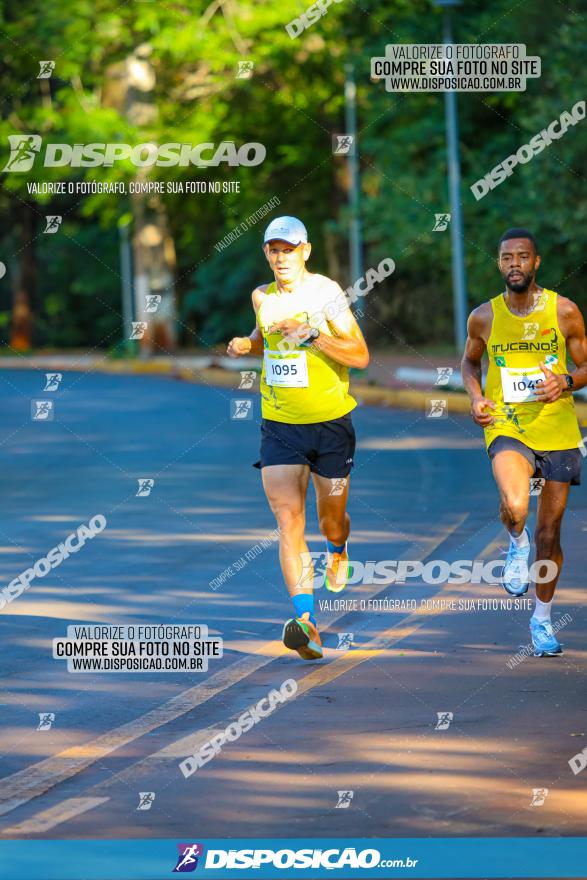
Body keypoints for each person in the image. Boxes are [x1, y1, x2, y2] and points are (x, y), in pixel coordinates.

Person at [227, 216, 369, 660]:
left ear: (305, 251)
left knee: (330, 520)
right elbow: (262, 332)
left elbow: (361, 355)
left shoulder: (326, 295)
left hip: (330, 424)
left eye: (289, 249)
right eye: (273, 249)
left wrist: (313, 335)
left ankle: (338, 547)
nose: (281, 257)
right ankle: (306, 621)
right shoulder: (261, 297)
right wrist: (248, 345)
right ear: (266, 253)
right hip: (280, 425)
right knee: (288, 520)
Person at [461, 228, 587, 656]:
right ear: (499, 264)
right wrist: (477, 397)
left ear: (536, 263)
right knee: (517, 505)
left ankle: (542, 622)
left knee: (550, 535)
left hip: (557, 430)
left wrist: (567, 381)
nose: (514, 263)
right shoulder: (484, 316)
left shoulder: (564, 311)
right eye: (506, 257)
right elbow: (468, 361)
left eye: (522, 257)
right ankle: (516, 542)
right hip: (506, 425)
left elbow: (586, 365)